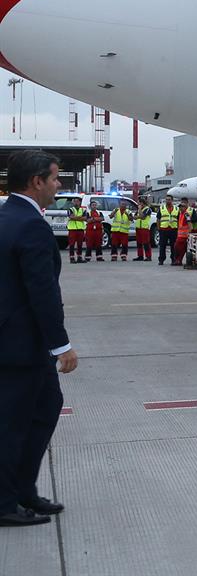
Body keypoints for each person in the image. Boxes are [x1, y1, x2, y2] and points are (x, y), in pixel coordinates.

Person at [0, 149, 77, 527]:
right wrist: (61, 345)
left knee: (46, 407)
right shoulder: (30, 225)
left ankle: (22, 490)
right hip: (20, 345)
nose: (57, 184)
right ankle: (4, 502)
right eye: (54, 178)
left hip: (17, 341)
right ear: (36, 182)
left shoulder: (6, 217)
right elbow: (41, 291)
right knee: (13, 423)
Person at [157, 197, 179, 266]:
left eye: (169, 200)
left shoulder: (176, 209)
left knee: (173, 246)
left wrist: (178, 228)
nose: (167, 201)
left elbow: (178, 219)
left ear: (172, 200)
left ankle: (173, 259)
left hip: (173, 229)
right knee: (162, 246)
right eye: (166, 199)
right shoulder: (162, 208)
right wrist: (159, 229)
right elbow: (158, 219)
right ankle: (161, 260)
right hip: (163, 229)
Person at [65, 196, 85, 263]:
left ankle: (79, 257)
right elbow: (71, 217)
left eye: (77, 201)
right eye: (75, 201)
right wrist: (80, 217)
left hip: (80, 229)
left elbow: (85, 218)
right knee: (72, 244)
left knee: (80, 244)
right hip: (72, 229)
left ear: (80, 202)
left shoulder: (83, 210)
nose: (76, 203)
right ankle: (72, 258)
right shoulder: (70, 209)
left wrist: (75, 217)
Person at [134, 196, 153, 261]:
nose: (138, 205)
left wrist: (139, 211)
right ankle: (140, 256)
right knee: (139, 243)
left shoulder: (147, 209)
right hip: (138, 228)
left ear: (142, 203)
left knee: (146, 243)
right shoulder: (139, 210)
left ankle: (148, 256)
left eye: (139, 203)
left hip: (144, 228)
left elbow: (142, 217)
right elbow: (135, 217)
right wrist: (138, 214)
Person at [173, 198, 190, 266]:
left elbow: (190, 225)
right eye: (180, 207)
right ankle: (178, 260)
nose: (181, 208)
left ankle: (179, 260)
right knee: (179, 249)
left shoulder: (186, 214)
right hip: (180, 236)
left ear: (185, 207)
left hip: (185, 236)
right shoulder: (180, 214)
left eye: (182, 207)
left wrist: (189, 234)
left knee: (179, 248)